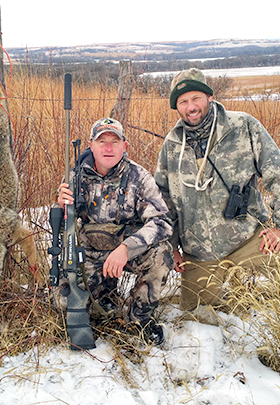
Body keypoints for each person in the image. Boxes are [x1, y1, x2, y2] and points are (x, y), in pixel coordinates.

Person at [153, 68, 280, 382]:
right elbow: (163, 202)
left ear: (209, 97)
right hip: (200, 250)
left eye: (196, 97)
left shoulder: (243, 126)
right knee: (195, 316)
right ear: (177, 107)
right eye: (183, 101)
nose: (191, 106)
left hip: (249, 235)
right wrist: (171, 247)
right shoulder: (172, 145)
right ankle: (215, 369)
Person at [55, 117, 174, 345]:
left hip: (127, 251)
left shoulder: (139, 177)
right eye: (102, 141)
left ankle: (138, 321)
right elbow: (61, 230)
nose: (108, 148)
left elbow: (162, 222)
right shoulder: (74, 176)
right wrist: (60, 207)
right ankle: (105, 295)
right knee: (63, 304)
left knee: (161, 256)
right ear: (91, 145)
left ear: (124, 146)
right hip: (89, 253)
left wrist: (126, 249)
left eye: (114, 141)